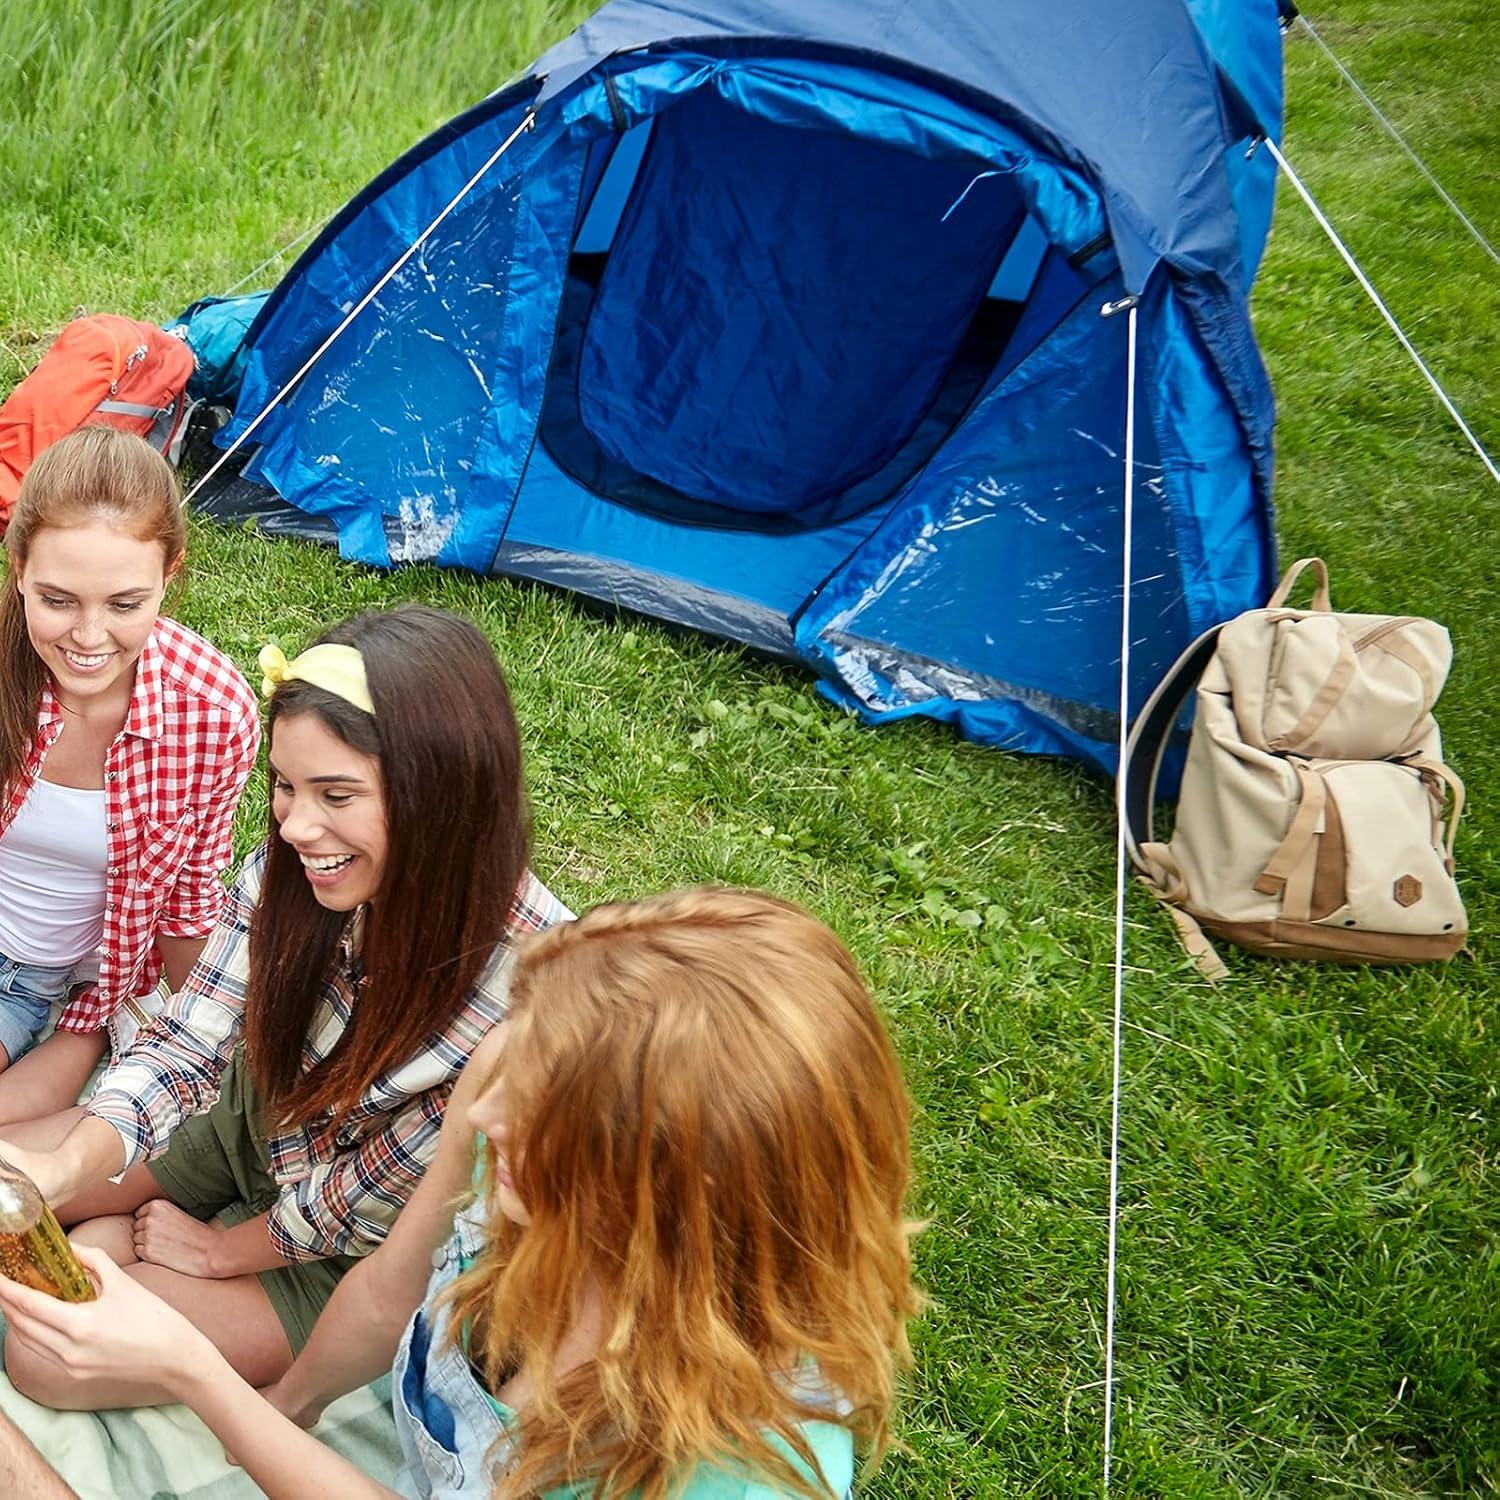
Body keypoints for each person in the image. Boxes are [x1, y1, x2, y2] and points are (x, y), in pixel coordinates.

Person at [0, 888, 921, 1498]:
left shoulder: (736, 1473)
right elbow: (392, 1285)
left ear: (687, 1186)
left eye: (561, 1107)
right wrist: (279, 1420)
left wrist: (189, 1369)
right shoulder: (512, 1121)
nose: (493, 1113)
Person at [0, 604, 568, 1405]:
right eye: (285, 786)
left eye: (336, 794)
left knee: (45, 1357)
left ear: (442, 788)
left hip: (338, 1254)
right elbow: (190, 1046)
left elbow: (363, 1203)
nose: (297, 826)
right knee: (20, 1194)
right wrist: (62, 1171)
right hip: (252, 1118)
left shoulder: (529, 989)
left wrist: (221, 1251)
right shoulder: (291, 867)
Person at [0, 426, 259, 1119]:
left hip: (73, 991)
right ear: (19, 566)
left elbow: (187, 901)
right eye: (57, 600)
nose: (88, 638)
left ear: (168, 577)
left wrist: (203, 1053)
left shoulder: (212, 711)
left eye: (124, 604)